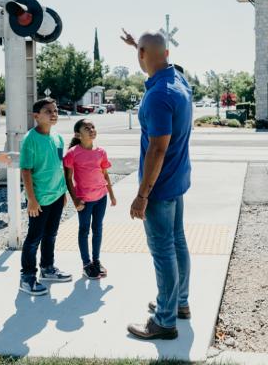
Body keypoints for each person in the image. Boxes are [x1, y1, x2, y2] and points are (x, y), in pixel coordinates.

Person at [120, 29, 193, 340]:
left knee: (163, 251)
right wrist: (140, 44)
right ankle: (179, 303)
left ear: (142, 56)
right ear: (167, 54)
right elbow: (157, 55)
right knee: (177, 243)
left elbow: (157, 148)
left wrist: (141, 195)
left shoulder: (158, 96)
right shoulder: (179, 80)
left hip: (159, 189)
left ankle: (164, 321)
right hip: (177, 181)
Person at [19, 98, 72, 296]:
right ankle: (27, 277)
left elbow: (59, 166)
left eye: (55, 110)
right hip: (39, 199)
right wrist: (31, 199)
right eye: (48, 111)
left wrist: (63, 191)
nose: (53, 113)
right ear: (36, 116)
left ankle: (47, 268)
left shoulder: (58, 138)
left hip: (57, 196)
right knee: (34, 238)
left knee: (51, 235)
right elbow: (26, 171)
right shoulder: (30, 139)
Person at [63, 118, 117, 280]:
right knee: (84, 230)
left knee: (98, 229)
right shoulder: (72, 153)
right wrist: (75, 200)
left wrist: (112, 195)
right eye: (87, 128)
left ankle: (96, 260)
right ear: (78, 134)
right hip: (84, 199)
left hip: (101, 197)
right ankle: (86, 264)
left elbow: (105, 174)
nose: (92, 129)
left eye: (93, 127)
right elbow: (68, 178)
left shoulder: (101, 152)